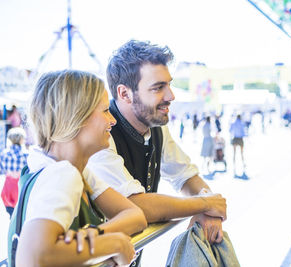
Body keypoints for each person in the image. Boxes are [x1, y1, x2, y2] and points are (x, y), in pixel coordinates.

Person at [87, 40, 227, 264]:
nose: (171, 95)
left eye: (168, 85)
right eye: (158, 87)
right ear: (124, 94)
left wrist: (210, 209)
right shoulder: (100, 135)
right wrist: (206, 204)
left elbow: (185, 175)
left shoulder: (156, 128)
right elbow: (133, 204)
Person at [10, 70, 147, 266]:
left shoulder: (69, 171)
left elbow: (136, 216)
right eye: (105, 110)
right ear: (77, 115)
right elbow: (32, 257)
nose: (113, 120)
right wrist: (113, 243)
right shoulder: (63, 175)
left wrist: (92, 236)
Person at [0, 127, 28, 217]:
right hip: (20, 186)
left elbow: (2, 169)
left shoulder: (4, 153)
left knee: (11, 214)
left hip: (8, 187)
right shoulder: (26, 154)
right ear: (21, 139)